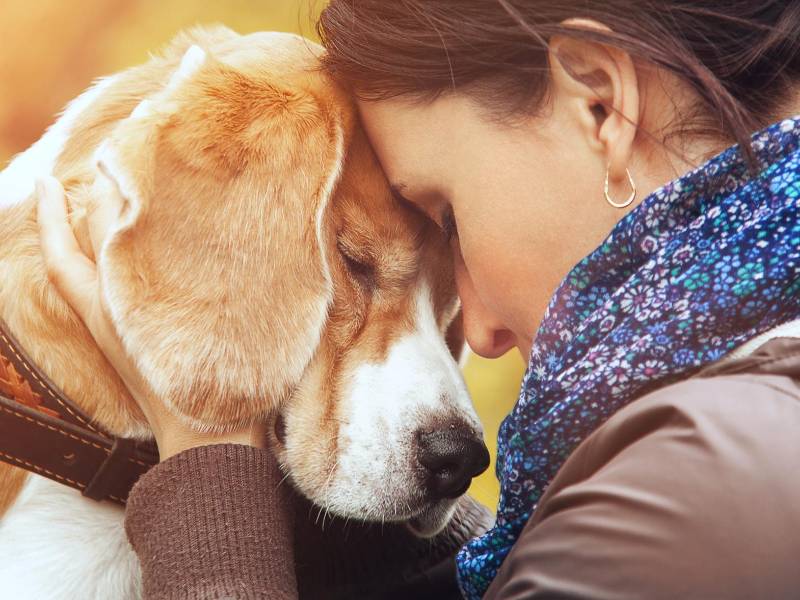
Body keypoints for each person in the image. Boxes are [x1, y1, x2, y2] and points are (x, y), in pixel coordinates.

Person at [36, 1, 800, 598]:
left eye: (448, 218)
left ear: (601, 106)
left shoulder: (699, 497)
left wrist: (209, 474)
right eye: (360, 258)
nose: (484, 335)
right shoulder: (730, 436)